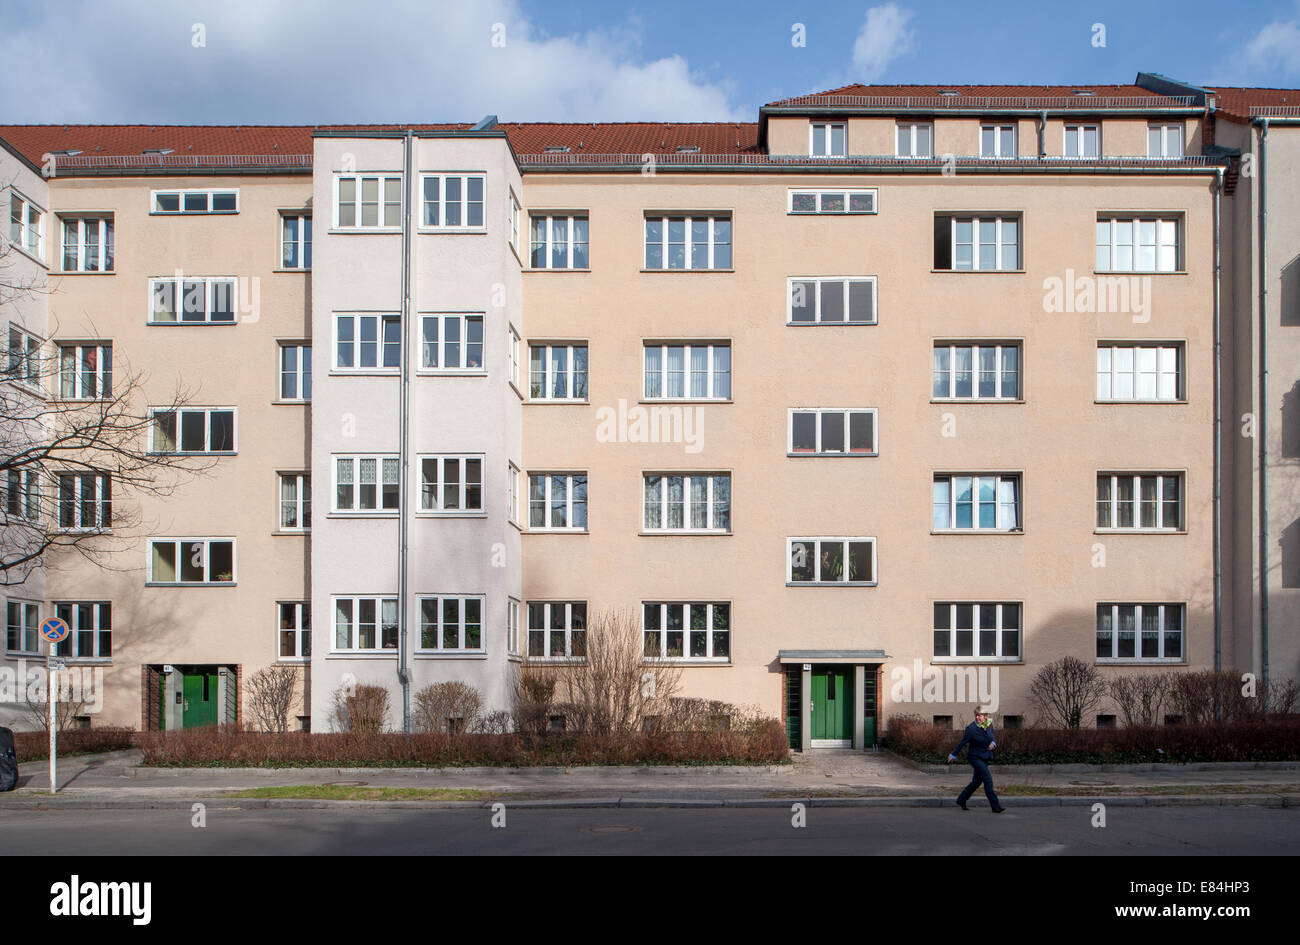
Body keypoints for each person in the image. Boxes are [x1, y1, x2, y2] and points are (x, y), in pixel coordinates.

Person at [947, 707, 1005, 813]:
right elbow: (962, 743)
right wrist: (953, 754)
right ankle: (995, 806)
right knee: (988, 779)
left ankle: (961, 799)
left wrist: (993, 743)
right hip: (975, 757)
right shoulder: (971, 729)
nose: (978, 717)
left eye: (980, 715)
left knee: (977, 782)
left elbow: (992, 737)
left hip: (985, 757)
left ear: (985, 716)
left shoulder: (989, 724)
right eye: (977, 715)